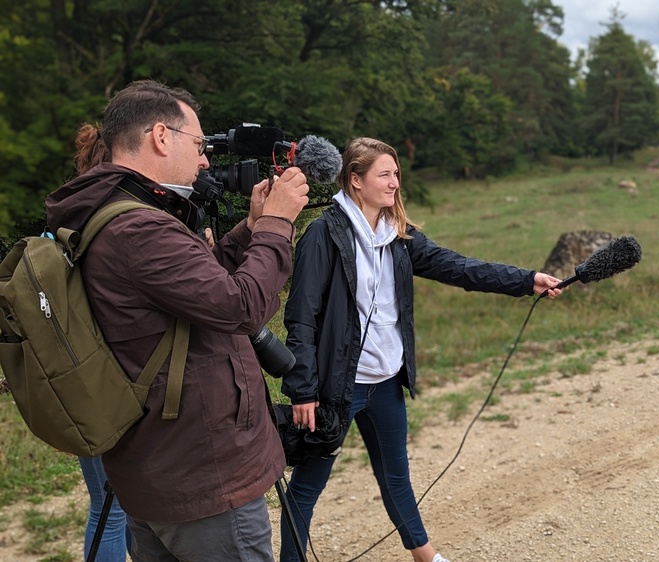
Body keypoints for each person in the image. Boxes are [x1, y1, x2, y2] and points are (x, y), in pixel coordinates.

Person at [45, 79, 309, 561]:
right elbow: (240, 307)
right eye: (198, 143)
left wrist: (249, 228)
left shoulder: (114, 211)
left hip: (161, 467)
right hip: (201, 476)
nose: (206, 159)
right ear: (161, 137)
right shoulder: (139, 227)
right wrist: (277, 224)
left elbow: (199, 289)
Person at [280, 137, 563, 562]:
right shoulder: (323, 234)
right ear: (355, 180)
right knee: (305, 489)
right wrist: (302, 388)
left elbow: (459, 267)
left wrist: (526, 280)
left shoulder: (397, 234)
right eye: (385, 174)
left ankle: (426, 556)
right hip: (339, 388)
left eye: (397, 174)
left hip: (387, 384)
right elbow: (301, 315)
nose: (395, 183)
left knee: (397, 477)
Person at [72, 123, 132, 562]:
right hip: (111, 385)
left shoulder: (71, 217)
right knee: (114, 509)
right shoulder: (118, 220)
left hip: (82, 381)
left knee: (112, 505)